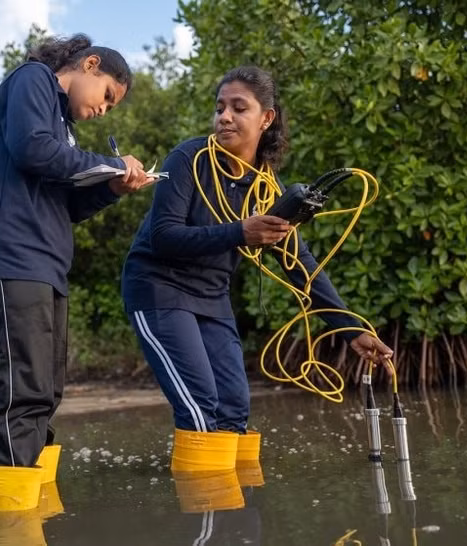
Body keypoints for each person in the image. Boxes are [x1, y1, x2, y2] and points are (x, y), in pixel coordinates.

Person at [120, 65, 393, 469]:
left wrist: (351, 329)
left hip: (211, 297)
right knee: (201, 409)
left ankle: (237, 527)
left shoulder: (268, 187)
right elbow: (163, 236)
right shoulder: (189, 158)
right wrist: (239, 232)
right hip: (159, 290)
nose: (224, 117)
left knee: (234, 407)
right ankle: (204, 519)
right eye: (220, 107)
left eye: (238, 108)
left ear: (266, 118)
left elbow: (299, 262)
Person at [0, 33, 150, 512]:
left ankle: (33, 509)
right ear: (89, 65)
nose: (105, 110)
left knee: (46, 392)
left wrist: (113, 188)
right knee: (19, 390)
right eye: (107, 95)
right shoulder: (33, 80)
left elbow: (67, 203)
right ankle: (8, 521)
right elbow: (31, 149)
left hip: (47, 268)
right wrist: (110, 163)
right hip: (11, 259)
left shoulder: (62, 126)